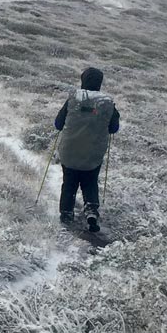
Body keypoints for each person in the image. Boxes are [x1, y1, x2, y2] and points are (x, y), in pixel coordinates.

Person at [53, 67, 120, 232]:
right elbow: (114, 128)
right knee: (90, 181)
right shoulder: (107, 103)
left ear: (83, 80)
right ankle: (91, 210)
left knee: (69, 182)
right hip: (93, 153)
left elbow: (58, 124)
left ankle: (66, 213)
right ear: (99, 82)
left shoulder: (73, 98)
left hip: (69, 150)